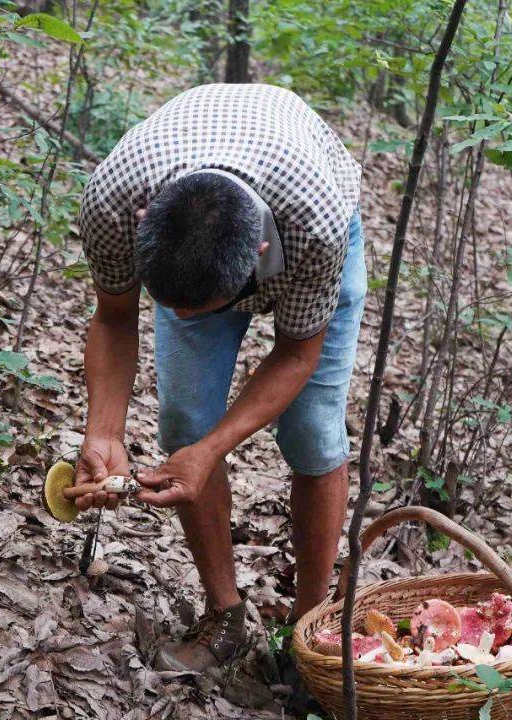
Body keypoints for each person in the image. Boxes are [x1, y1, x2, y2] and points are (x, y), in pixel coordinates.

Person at [74, 83, 365, 674]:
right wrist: (104, 432)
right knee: (184, 421)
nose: (178, 319)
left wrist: (210, 453)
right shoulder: (113, 197)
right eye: (170, 303)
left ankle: (309, 634)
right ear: (142, 224)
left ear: (258, 254)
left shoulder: (316, 222)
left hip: (304, 212)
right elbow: (112, 318)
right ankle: (224, 616)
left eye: (196, 308)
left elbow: (295, 355)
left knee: (311, 431)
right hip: (199, 220)